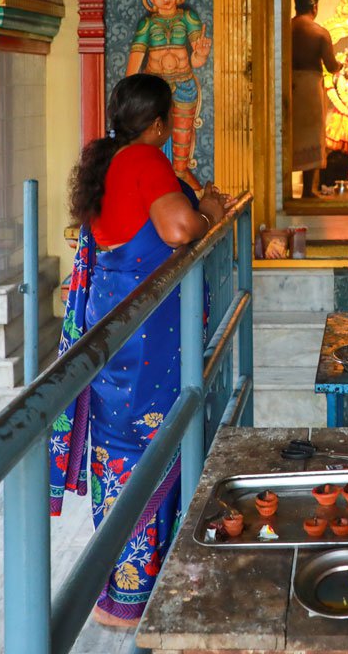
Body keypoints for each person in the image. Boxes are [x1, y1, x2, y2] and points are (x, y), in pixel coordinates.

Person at [49, 74, 229, 628]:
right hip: (145, 331)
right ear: (159, 122)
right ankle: (133, 596)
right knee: (144, 441)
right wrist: (211, 214)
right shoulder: (143, 158)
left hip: (122, 319)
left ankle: (126, 591)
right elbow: (178, 230)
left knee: (123, 443)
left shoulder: (112, 161)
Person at [126, 0, 211, 190]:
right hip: (154, 90)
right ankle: (157, 186)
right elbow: (135, 62)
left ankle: (184, 180)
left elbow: (195, 60)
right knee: (151, 145)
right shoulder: (147, 25)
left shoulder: (188, 18)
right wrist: (127, 96)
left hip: (184, 85)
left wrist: (202, 54)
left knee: (182, 150)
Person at [288, 0, 341, 198]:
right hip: (309, 86)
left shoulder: (286, 28)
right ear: (315, 6)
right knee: (311, 136)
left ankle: (284, 190)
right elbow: (331, 66)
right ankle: (308, 190)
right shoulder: (319, 32)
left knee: (289, 134)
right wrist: (340, 66)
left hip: (287, 84)